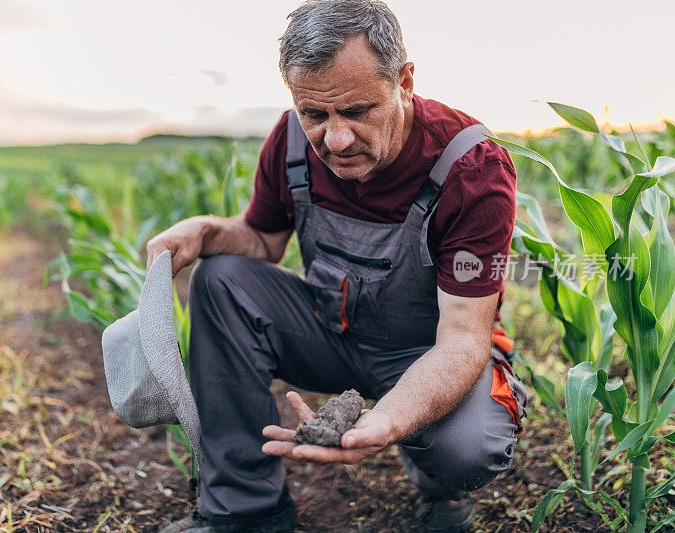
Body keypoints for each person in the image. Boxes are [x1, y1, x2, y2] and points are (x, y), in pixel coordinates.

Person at [149, 1, 526, 531]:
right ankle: (246, 512)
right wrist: (210, 232)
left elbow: (464, 340)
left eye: (357, 111)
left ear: (405, 81)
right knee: (220, 276)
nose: (336, 139)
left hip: (427, 351)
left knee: (467, 450)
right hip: (330, 334)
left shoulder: (470, 168)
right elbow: (261, 240)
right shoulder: (289, 141)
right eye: (316, 114)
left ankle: (439, 490)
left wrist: (389, 420)